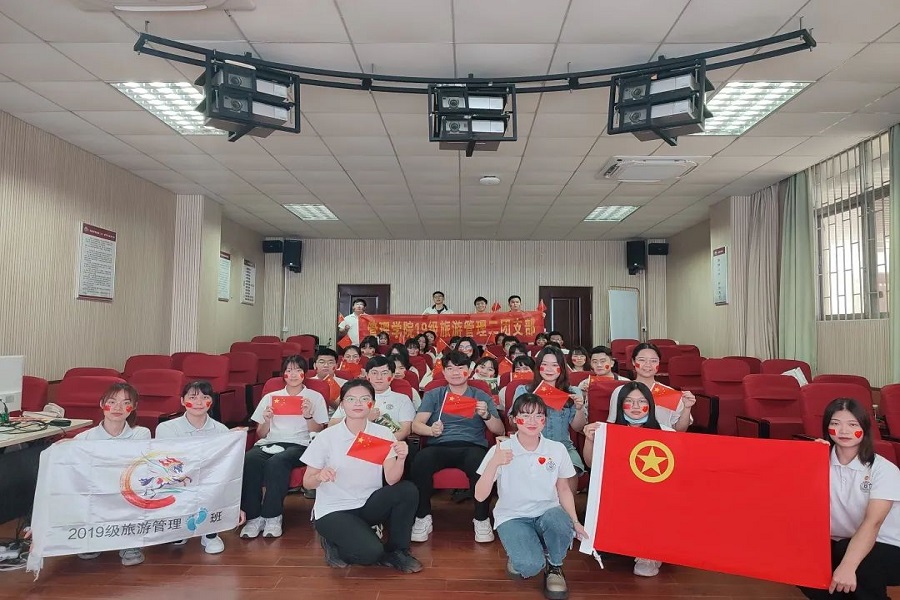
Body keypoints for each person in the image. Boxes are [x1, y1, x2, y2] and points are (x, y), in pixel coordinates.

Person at [302, 379, 422, 573]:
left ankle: (398, 551)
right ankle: (334, 543)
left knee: (407, 490)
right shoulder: (327, 436)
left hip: (368, 504)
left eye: (364, 399)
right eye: (351, 399)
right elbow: (307, 482)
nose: (358, 403)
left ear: (371, 404)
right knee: (370, 553)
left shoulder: (382, 433)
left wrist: (401, 459)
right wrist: (319, 476)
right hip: (334, 510)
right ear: (342, 404)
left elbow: (392, 479)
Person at [476, 394, 587, 599]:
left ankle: (554, 566)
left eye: (538, 415)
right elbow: (480, 496)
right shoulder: (500, 450)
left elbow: (563, 488)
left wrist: (575, 521)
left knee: (559, 520)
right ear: (514, 418)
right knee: (529, 565)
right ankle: (525, 550)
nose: (532, 421)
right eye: (525, 415)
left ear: (545, 419)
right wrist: (494, 463)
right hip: (513, 516)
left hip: (548, 512)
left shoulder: (557, 449)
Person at [799, 398, 900, 600]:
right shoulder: (818, 463)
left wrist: (847, 565)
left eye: (852, 424)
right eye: (835, 423)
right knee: (803, 558)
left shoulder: (884, 470)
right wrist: (809, 458)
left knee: (849, 553)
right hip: (836, 542)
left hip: (888, 546)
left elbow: (873, 523)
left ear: (865, 428)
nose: (843, 431)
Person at [410, 351, 505, 543]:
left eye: (460, 368)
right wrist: (430, 430)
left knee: (481, 463)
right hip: (439, 445)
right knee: (420, 461)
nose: (455, 372)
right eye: (450, 368)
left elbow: (500, 429)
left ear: (469, 371)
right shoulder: (434, 394)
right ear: (444, 372)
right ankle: (423, 516)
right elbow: (416, 425)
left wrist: (486, 415)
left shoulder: (480, 395)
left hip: (471, 446)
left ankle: (481, 518)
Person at [583, 382, 670, 577]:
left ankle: (649, 553)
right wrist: (589, 440)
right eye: (629, 401)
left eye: (642, 402)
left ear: (650, 405)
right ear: (620, 405)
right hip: (619, 492)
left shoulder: (665, 432)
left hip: (652, 493)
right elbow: (591, 464)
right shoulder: (608, 431)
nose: (636, 407)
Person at [240, 355, 329, 539]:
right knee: (250, 460)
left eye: (298, 370)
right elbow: (261, 434)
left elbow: (319, 431)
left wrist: (308, 416)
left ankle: (272, 516)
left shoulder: (314, 397)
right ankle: (253, 517)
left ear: (304, 374)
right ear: (283, 374)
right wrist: (267, 420)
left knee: (277, 462)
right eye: (288, 371)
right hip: (270, 442)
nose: (293, 375)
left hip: (301, 444)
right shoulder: (270, 397)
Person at [73, 383, 151, 566]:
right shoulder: (83, 438)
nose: (118, 408)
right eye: (112, 402)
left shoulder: (141, 434)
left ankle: (130, 543)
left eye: (126, 403)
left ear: (134, 407)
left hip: (127, 490)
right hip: (97, 492)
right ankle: (93, 537)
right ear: (102, 404)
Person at [155, 380, 230, 555]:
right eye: (193, 397)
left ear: (211, 401)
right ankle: (180, 525)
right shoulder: (166, 428)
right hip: (179, 480)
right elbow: (166, 463)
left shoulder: (222, 431)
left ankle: (210, 532)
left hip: (209, 483)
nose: (199, 403)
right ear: (182, 401)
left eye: (205, 397)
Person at [512, 347, 586, 494]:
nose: (549, 369)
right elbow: (513, 424)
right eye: (545, 364)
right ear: (538, 367)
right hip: (529, 446)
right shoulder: (524, 391)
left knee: (568, 473)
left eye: (555, 365)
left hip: (563, 446)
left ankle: (565, 508)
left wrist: (579, 408)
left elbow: (578, 427)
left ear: (562, 368)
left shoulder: (572, 392)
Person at [606, 343, 696, 432]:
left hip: (662, 440)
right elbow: (613, 425)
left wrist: (687, 408)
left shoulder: (669, 394)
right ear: (633, 361)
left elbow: (680, 431)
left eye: (653, 361)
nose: (647, 364)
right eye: (642, 360)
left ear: (659, 363)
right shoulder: (621, 391)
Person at [330, 356, 415, 442]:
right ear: (367, 375)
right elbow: (332, 425)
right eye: (374, 373)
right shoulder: (353, 396)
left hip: (385, 445)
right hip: (349, 443)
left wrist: (377, 445)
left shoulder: (402, 400)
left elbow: (405, 431)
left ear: (392, 376)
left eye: (384, 373)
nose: (379, 377)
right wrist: (364, 418)